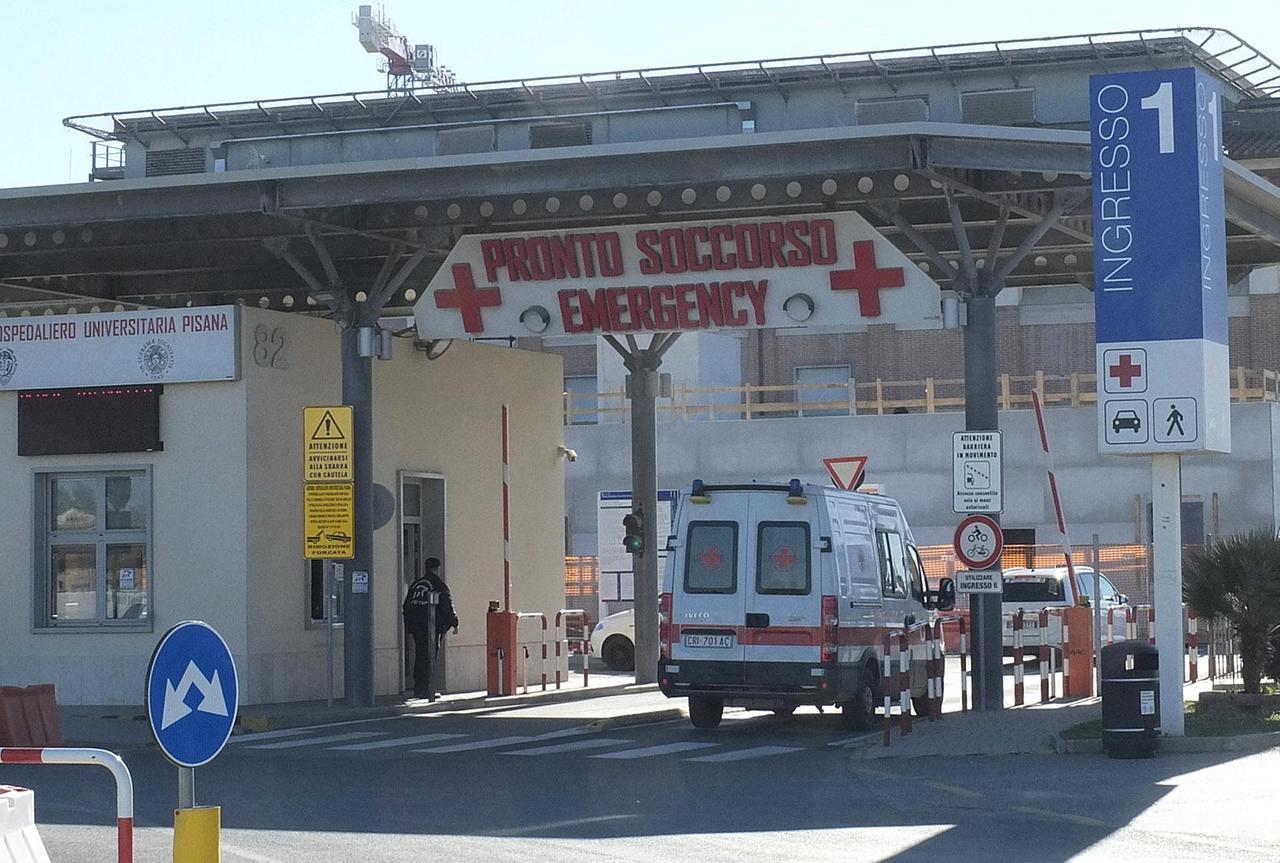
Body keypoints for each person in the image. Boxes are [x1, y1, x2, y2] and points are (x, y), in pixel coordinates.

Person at [402, 558, 459, 699]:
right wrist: (454, 622)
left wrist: (410, 625)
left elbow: (406, 606)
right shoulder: (438, 585)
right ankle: (427, 689)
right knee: (429, 657)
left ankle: (419, 688)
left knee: (420, 655)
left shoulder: (416, 585)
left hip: (417, 626)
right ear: (437, 569)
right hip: (431, 627)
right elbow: (446, 606)